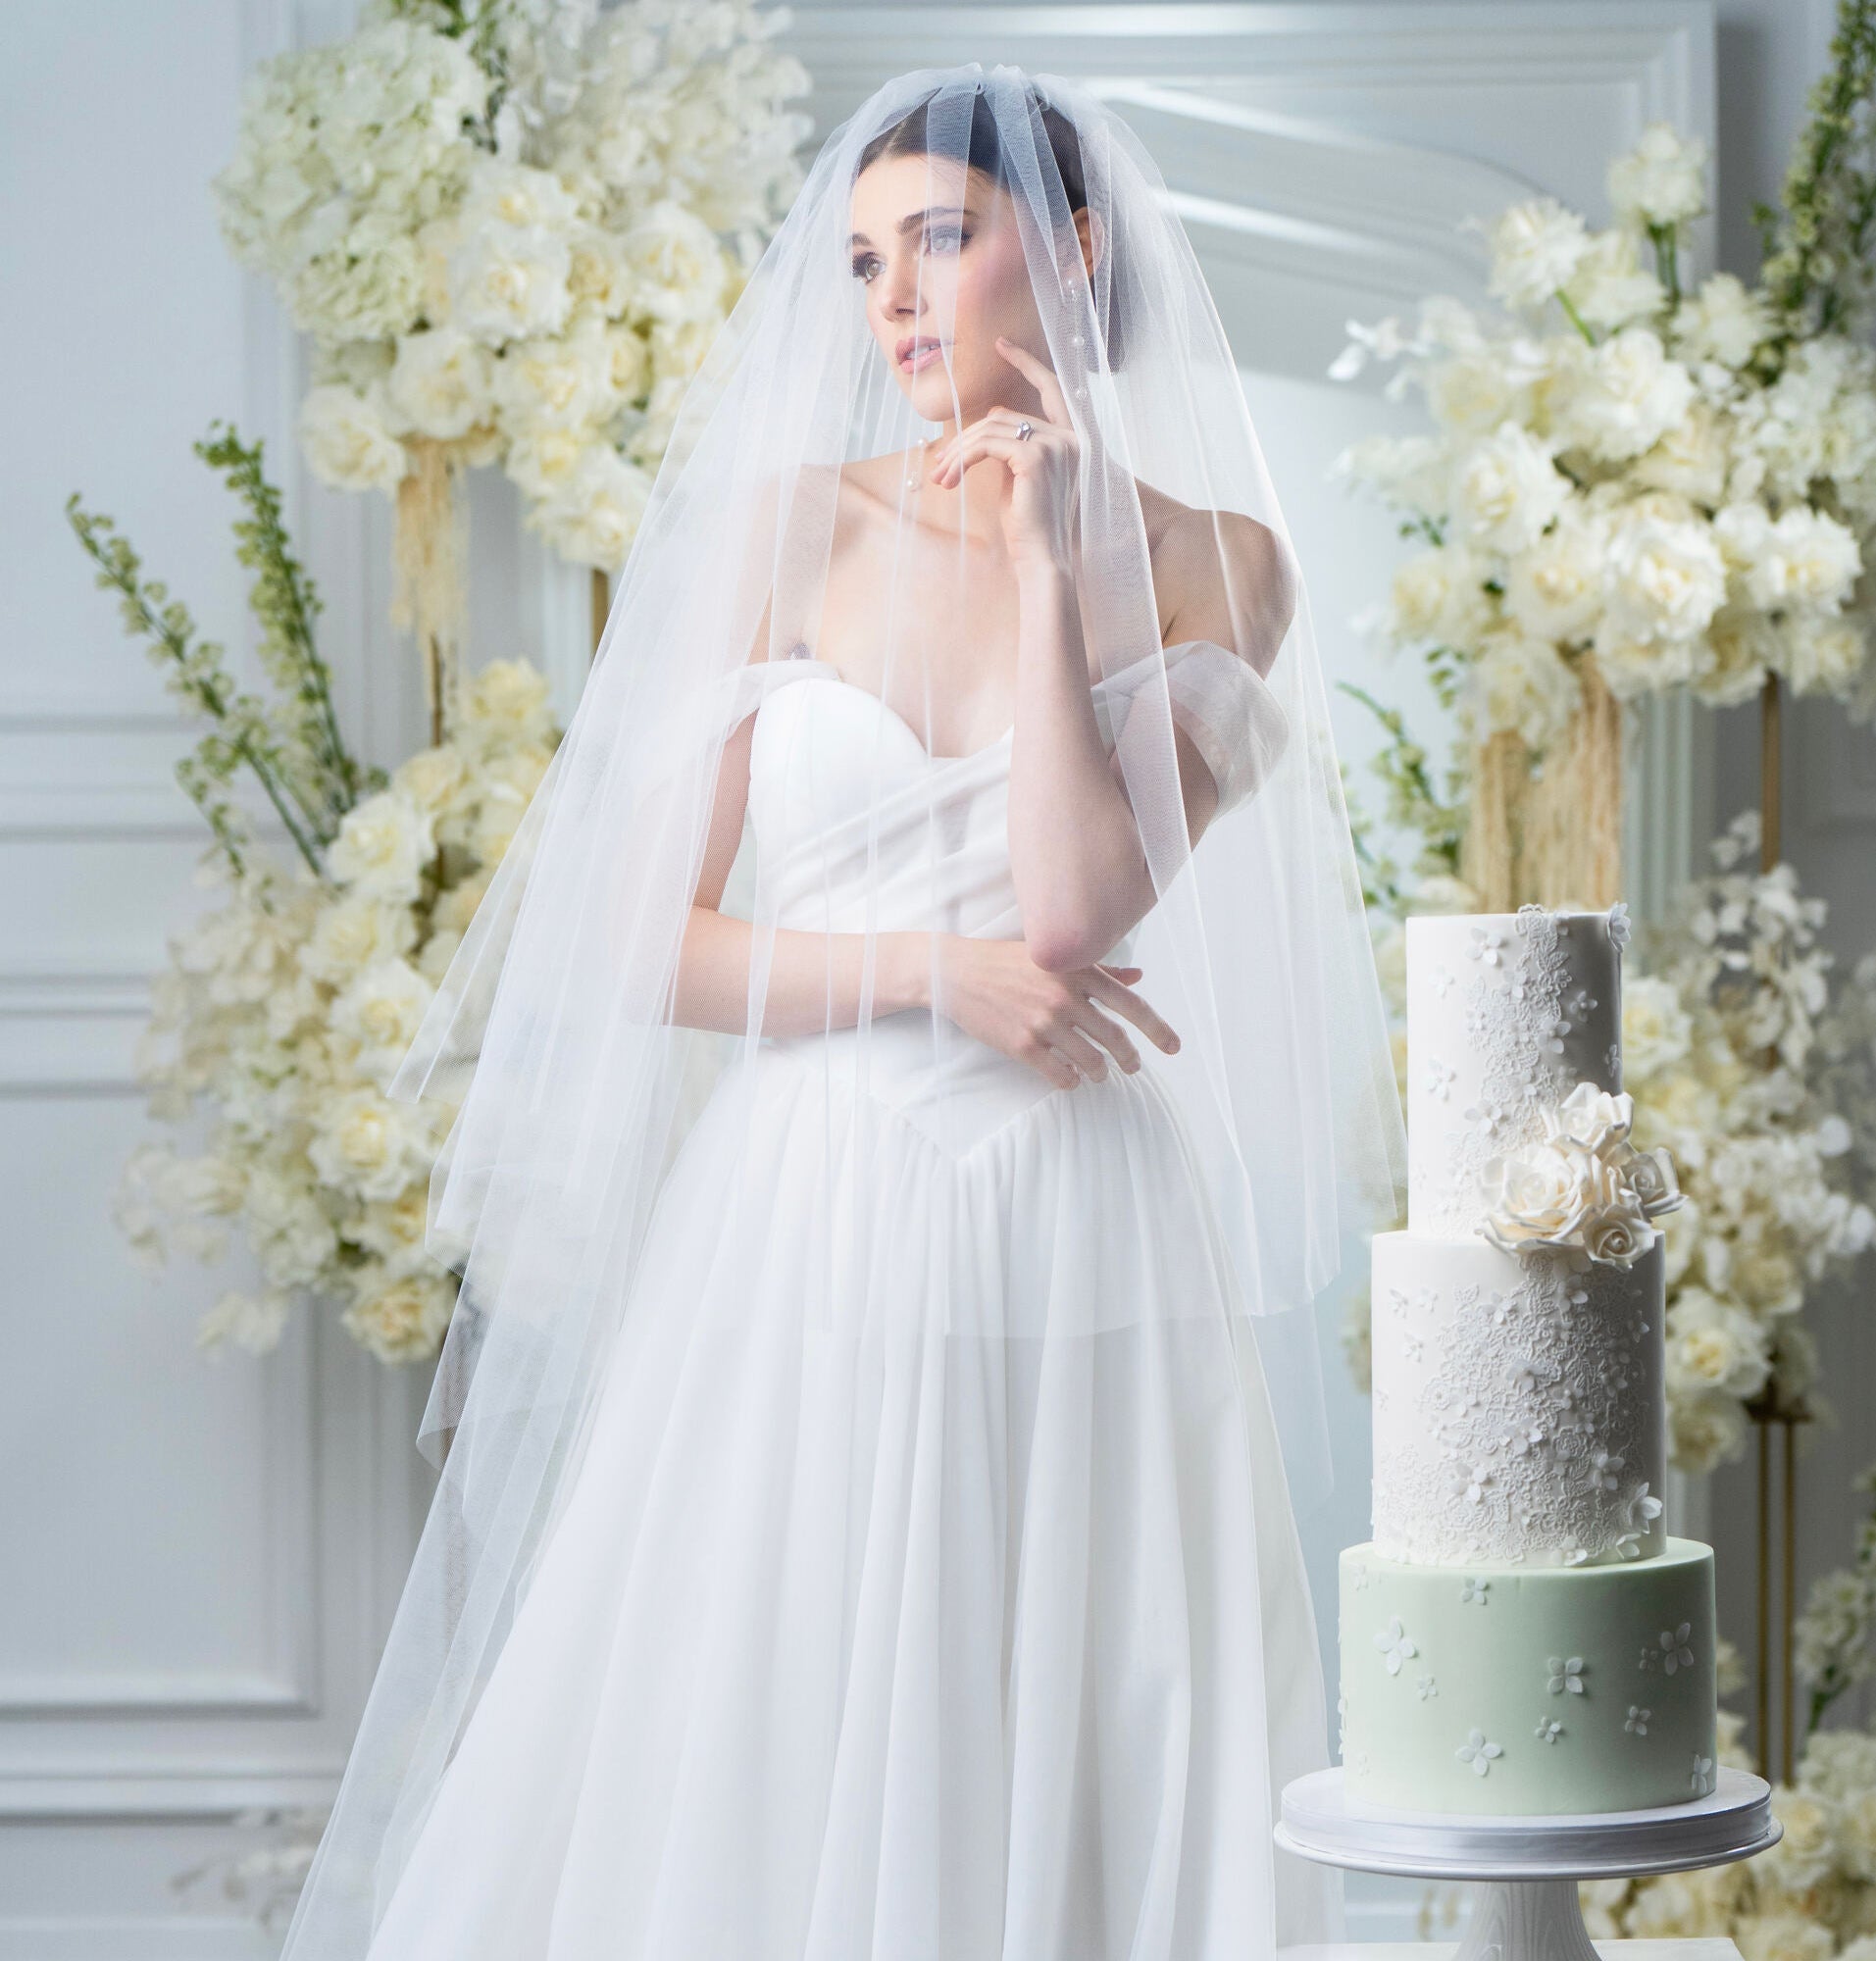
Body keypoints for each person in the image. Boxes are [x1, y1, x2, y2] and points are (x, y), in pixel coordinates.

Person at [279, 63, 1405, 1960]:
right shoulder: (794, 528)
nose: (888, 303)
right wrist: (924, 977)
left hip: (1082, 1218)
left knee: (1072, 1701)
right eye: (864, 259)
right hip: (806, 1205)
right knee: (774, 1700)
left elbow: (1069, 902)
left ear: (1071, 251)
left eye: (940, 244)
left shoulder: (1226, 563)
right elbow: (651, 944)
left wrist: (1053, 566)